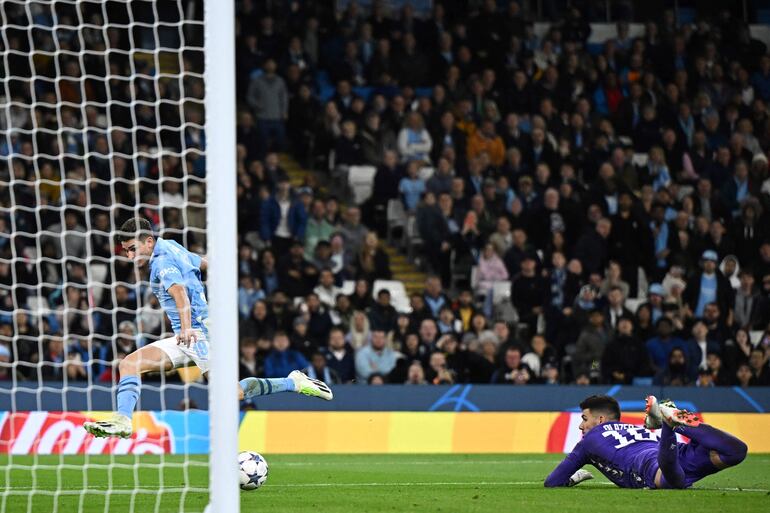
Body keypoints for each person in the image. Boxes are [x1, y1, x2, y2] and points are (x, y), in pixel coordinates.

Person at [84, 218, 333, 439]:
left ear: (148, 241)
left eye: (132, 249)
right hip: (188, 333)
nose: (129, 256)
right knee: (129, 363)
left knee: (229, 395)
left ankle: (293, 382)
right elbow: (203, 264)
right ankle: (124, 420)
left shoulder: (161, 262)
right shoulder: (172, 245)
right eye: (126, 251)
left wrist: (186, 326)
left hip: (196, 333)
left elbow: (179, 292)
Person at [545, 395, 747, 489]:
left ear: (599, 420)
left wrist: (572, 478)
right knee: (737, 451)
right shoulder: (636, 428)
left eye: (584, 419)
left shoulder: (589, 440)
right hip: (673, 452)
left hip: (648, 463)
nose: (580, 426)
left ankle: (669, 424)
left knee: (673, 483)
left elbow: (552, 482)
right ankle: (678, 424)